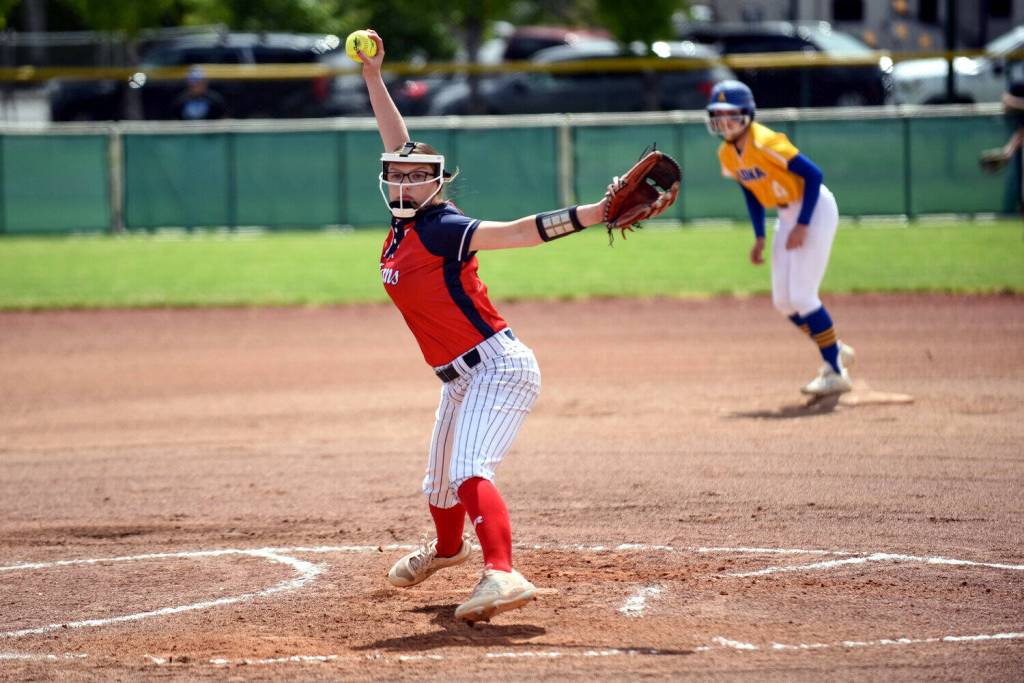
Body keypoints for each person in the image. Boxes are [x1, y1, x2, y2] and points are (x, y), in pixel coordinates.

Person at [356, 30, 610, 623]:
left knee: (471, 470)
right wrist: (373, 77)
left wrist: (593, 214)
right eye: (398, 174)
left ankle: (502, 574)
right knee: (438, 487)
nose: (404, 180)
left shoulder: (443, 226)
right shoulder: (402, 225)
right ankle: (448, 550)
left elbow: (519, 232)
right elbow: (396, 141)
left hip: (497, 367)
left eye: (418, 176)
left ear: (437, 184)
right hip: (459, 378)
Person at [705, 80, 854, 397]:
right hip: (785, 215)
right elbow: (750, 192)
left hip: (813, 208)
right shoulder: (727, 154)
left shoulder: (766, 141)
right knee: (784, 302)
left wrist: (802, 224)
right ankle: (833, 347)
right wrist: (759, 235)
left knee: (803, 297)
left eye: (730, 114)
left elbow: (814, 175)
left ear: (747, 114)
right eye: (718, 115)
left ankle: (835, 370)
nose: (723, 122)